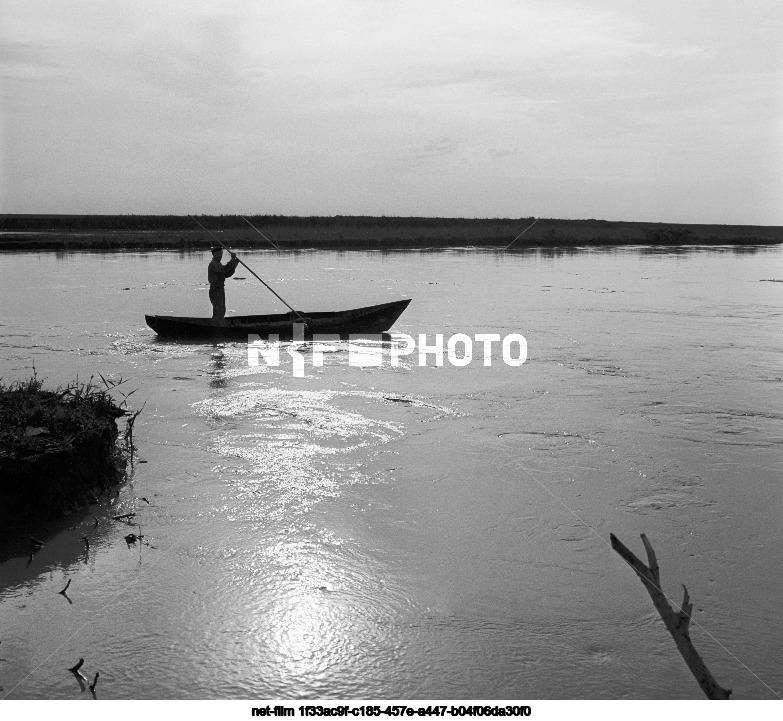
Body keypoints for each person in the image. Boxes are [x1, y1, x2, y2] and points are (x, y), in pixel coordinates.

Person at [208, 246, 240, 322]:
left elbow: (227, 274)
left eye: (221, 254)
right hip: (215, 290)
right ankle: (216, 325)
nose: (220, 255)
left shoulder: (218, 264)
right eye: (218, 254)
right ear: (214, 255)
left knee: (222, 310)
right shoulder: (213, 264)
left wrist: (235, 264)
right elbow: (223, 270)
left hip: (220, 289)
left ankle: (219, 323)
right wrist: (232, 260)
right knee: (218, 309)